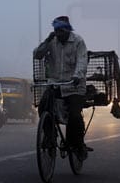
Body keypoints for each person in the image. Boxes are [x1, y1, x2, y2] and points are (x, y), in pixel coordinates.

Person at [33, 16, 89, 160]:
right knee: (43, 107)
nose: (59, 34)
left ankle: (75, 143)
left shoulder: (78, 41)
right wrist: (47, 40)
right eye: (56, 31)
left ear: (68, 30)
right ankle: (50, 136)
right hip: (56, 84)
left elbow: (82, 60)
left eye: (62, 31)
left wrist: (77, 76)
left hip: (74, 86)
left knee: (74, 116)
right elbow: (38, 55)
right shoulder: (52, 42)